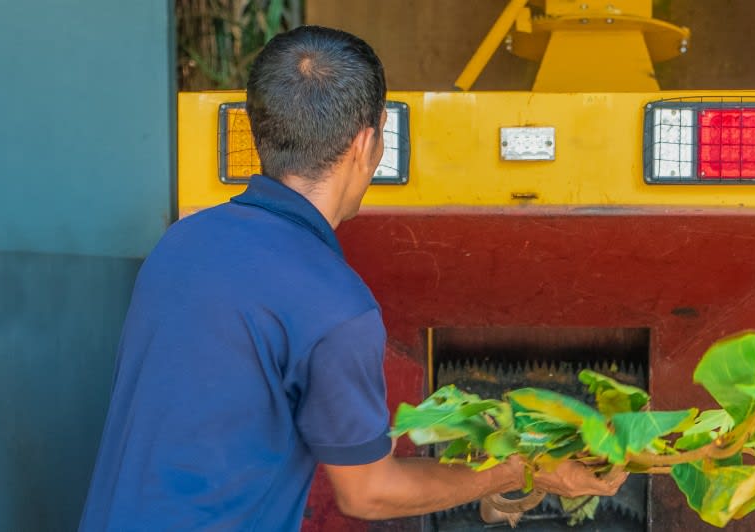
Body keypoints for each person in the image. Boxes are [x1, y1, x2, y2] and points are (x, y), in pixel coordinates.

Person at [79, 25, 625, 531]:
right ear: (367, 145)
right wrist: (516, 470)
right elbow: (368, 492)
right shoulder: (335, 305)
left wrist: (473, 480)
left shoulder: (182, 243)